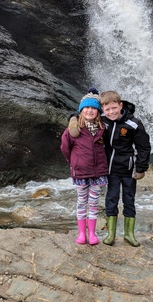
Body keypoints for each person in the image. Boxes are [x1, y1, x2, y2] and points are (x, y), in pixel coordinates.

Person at [99, 90, 151, 247]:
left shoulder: (133, 123)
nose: (111, 112)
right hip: (111, 170)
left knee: (129, 200)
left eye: (114, 108)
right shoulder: (102, 121)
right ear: (102, 110)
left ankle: (129, 234)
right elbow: (82, 116)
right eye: (107, 109)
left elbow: (144, 147)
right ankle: (111, 234)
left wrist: (141, 168)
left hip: (129, 170)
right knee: (111, 199)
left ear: (120, 105)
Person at [60, 92, 108, 245]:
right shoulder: (73, 130)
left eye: (93, 108)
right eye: (86, 107)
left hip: (98, 173)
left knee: (94, 203)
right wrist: (74, 161)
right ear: (81, 110)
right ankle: (82, 234)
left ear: (98, 112)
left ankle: (92, 234)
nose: (89, 110)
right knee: (82, 202)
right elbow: (65, 148)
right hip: (80, 172)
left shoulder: (102, 128)